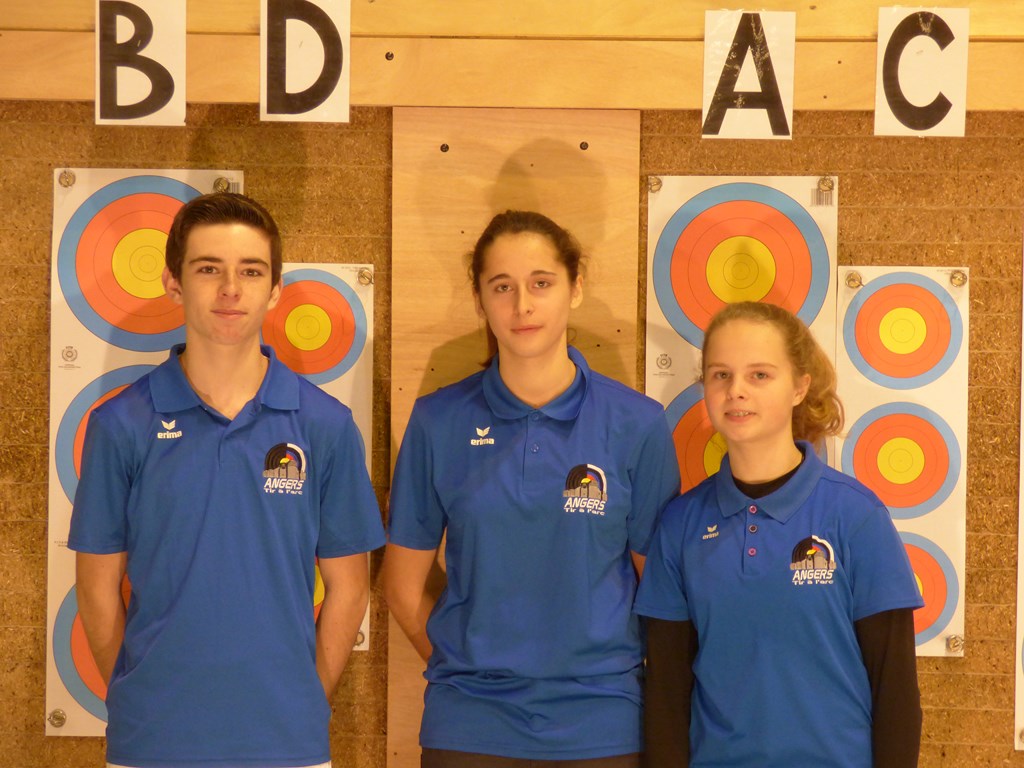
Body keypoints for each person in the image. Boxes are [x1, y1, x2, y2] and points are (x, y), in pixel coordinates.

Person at [69, 192, 385, 768]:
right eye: (209, 269)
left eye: (251, 271)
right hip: (152, 742)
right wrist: (134, 698)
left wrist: (307, 700)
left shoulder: (326, 425)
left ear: (276, 289)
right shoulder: (120, 424)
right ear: (173, 283)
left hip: (288, 742)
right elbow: (96, 586)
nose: (231, 289)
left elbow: (349, 587)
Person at [382, 210, 680, 767]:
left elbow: (662, 595)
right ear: (480, 300)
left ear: (575, 288)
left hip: (602, 722)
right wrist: (466, 667)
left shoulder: (637, 424)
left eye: (541, 283)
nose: (522, 305)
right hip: (469, 723)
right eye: (502, 287)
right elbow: (402, 587)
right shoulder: (437, 421)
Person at [635, 301, 923, 768]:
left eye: (760, 375)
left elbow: (895, 690)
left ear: (799, 387)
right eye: (721, 375)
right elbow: (667, 694)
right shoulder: (681, 524)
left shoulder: (856, 515)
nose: (736, 391)